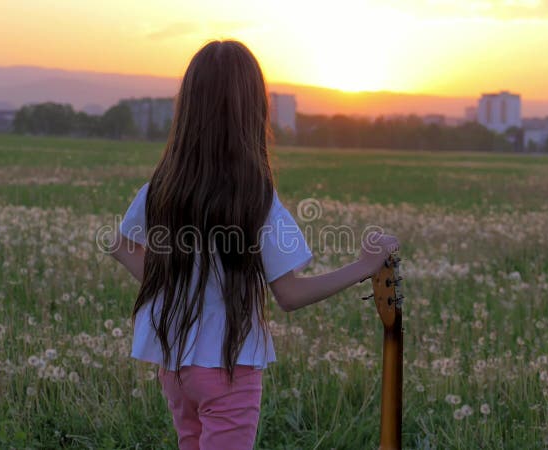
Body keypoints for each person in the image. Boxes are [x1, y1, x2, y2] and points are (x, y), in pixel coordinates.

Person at [109, 39, 399, 450]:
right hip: (230, 367)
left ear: (188, 108)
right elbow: (290, 293)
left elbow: (121, 245)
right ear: (252, 111)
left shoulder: (161, 188)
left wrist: (173, 283)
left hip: (175, 366)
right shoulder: (256, 198)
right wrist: (365, 266)